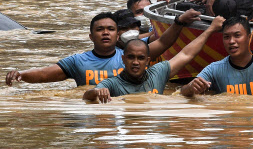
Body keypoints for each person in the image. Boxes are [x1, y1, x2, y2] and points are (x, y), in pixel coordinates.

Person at [5, 10, 200, 87]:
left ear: (118, 35)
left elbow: (164, 43)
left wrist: (178, 21)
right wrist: (20, 74)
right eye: (99, 30)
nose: (105, 33)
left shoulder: (132, 57)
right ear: (91, 36)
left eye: (110, 29)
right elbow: (45, 74)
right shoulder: (77, 61)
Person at [83, 17, 225, 102]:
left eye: (141, 58)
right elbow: (86, 96)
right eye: (131, 57)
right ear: (123, 59)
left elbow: (186, 54)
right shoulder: (112, 83)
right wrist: (95, 93)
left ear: (148, 61)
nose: (136, 62)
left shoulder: (158, 72)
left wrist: (210, 30)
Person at [180, 14, 253, 96]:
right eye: (226, 37)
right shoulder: (215, 69)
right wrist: (191, 88)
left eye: (237, 35)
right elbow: (182, 92)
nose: (231, 41)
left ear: (249, 38)